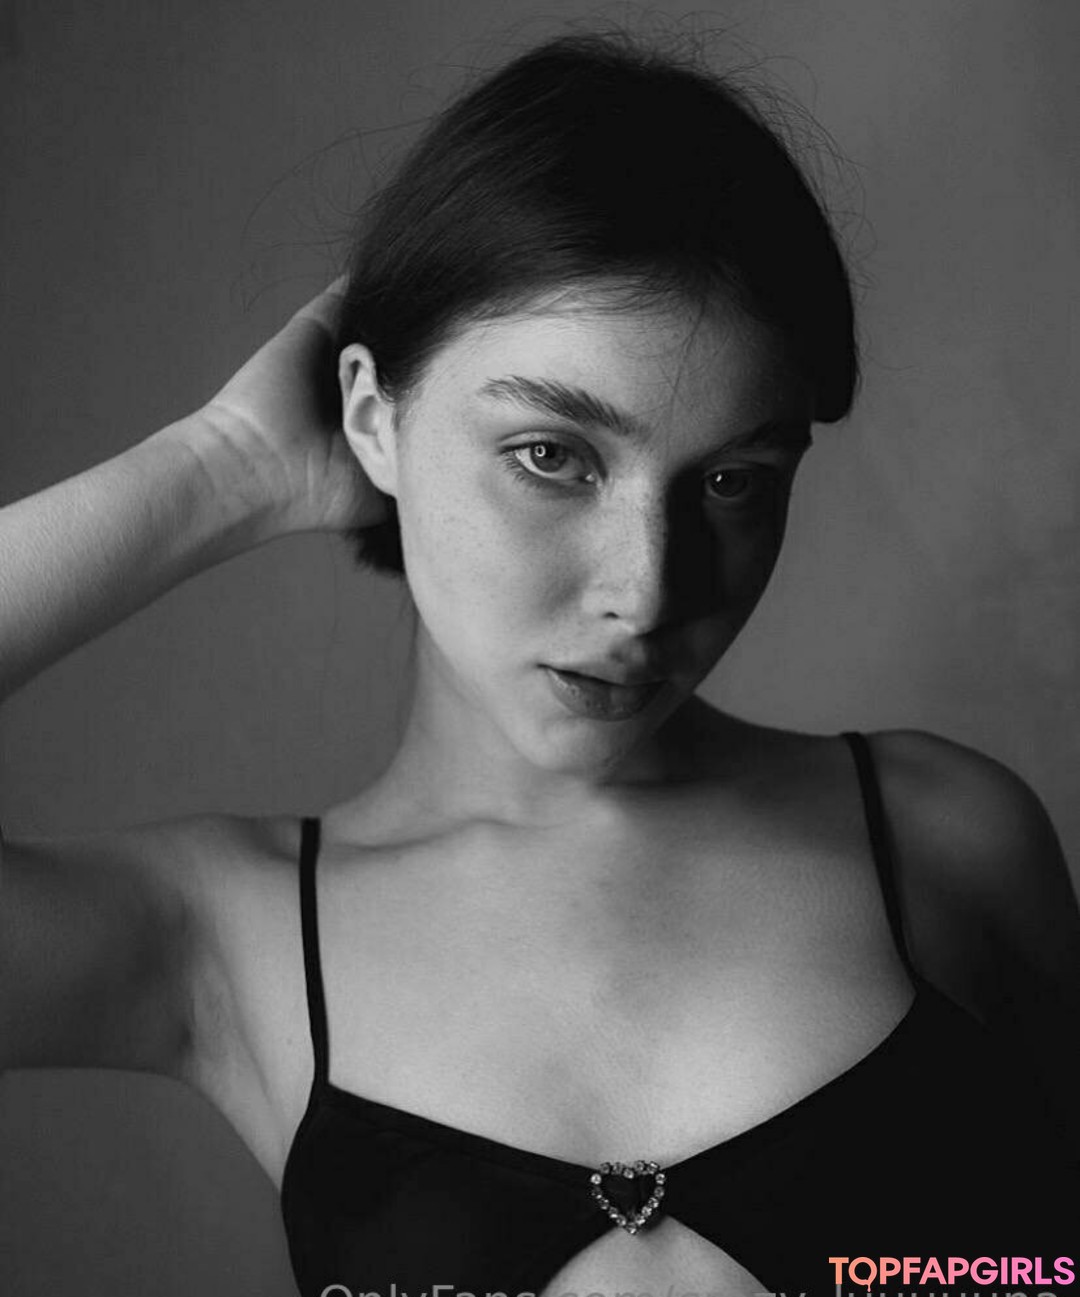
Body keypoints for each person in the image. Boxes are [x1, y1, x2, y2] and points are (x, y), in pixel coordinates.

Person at [2, 30, 1078, 1297]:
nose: (647, 590)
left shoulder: (948, 837)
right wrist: (220, 466)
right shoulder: (223, 932)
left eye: (734, 481)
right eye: (551, 456)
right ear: (373, 418)